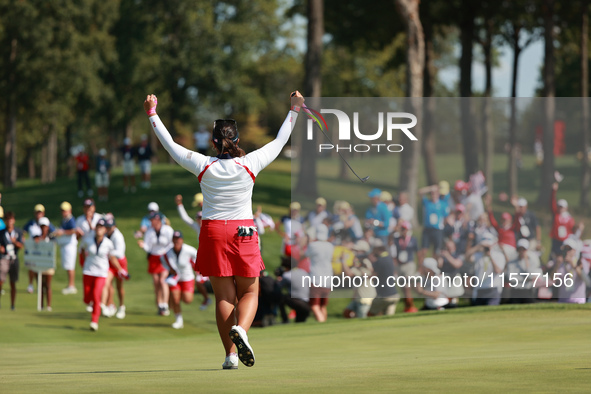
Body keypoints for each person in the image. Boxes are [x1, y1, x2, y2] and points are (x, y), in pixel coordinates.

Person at [144, 90, 303, 369]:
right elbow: (280, 140)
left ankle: (230, 356)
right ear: (237, 139)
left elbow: (169, 145)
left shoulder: (203, 165)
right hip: (244, 230)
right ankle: (242, 329)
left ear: (214, 142)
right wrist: (295, 109)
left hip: (213, 231)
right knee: (250, 292)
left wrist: (152, 113)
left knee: (224, 297)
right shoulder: (250, 163)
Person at [80, 217, 127, 331]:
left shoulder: (108, 243)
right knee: (87, 298)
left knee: (97, 296)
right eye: (98, 227)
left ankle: (94, 321)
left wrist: (120, 269)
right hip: (88, 271)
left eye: (102, 227)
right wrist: (82, 263)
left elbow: (112, 258)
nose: (99, 229)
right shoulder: (88, 240)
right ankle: (92, 305)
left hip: (101, 273)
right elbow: (81, 251)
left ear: (105, 230)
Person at [174, 194, 211, 309]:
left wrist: (204, 205)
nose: (199, 221)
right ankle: (207, 299)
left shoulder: (210, 224)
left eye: (200, 218)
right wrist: (179, 205)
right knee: (199, 281)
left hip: (215, 256)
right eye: (197, 219)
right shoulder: (198, 227)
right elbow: (185, 219)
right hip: (204, 257)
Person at [137, 211, 173, 316]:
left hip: (165, 257)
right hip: (153, 258)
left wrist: (167, 255)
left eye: (154, 220)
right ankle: (159, 305)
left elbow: (171, 244)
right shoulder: (149, 232)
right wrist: (143, 245)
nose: (152, 222)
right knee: (156, 282)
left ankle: (165, 304)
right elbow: (148, 247)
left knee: (163, 281)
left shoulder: (167, 230)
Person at [162, 231, 197, 329]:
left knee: (187, 300)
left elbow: (197, 259)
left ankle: (180, 295)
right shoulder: (168, 252)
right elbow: (163, 261)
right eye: (175, 239)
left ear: (182, 240)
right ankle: (179, 320)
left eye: (178, 239)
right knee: (175, 299)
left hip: (187, 277)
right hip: (175, 278)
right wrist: (169, 270)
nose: (176, 241)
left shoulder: (189, 250)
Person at [465, 233, 506, 306]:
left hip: (492, 289)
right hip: (480, 289)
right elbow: (467, 257)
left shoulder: (498, 255)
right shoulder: (478, 255)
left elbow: (498, 271)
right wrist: (478, 247)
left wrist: (490, 256)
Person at [23, 204, 56, 294]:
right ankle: (30, 284)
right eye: (37, 213)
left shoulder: (47, 223)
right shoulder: (31, 223)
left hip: (44, 251)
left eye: (40, 213)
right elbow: (23, 232)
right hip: (33, 249)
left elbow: (53, 233)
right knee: (31, 267)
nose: (38, 214)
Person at [305, 224, 334, 323]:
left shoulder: (313, 245)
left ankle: (322, 323)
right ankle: (324, 323)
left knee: (314, 305)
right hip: (328, 279)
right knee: (322, 305)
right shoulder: (330, 246)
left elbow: (304, 254)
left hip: (316, 278)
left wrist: (309, 239)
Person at [102, 214, 128, 319]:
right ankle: (110, 305)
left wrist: (108, 252)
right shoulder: (104, 234)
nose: (108, 229)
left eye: (110, 227)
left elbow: (120, 252)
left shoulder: (118, 236)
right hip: (110, 262)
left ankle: (121, 307)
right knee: (107, 283)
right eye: (107, 227)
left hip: (120, 263)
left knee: (119, 287)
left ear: (114, 226)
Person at [341, 240, 376, 319]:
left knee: (362, 318)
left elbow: (348, 274)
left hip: (365, 298)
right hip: (358, 297)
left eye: (357, 251)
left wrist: (343, 260)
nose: (354, 253)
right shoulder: (360, 263)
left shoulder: (365, 263)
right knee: (347, 312)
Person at [552, 237, 589, 304]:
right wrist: (557, 265)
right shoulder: (561, 263)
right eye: (565, 249)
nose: (567, 251)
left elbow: (585, 279)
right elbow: (553, 279)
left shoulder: (581, 262)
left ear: (574, 250)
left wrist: (572, 264)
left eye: (569, 249)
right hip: (563, 301)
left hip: (578, 301)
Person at [392, 220, 419, 313]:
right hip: (400, 265)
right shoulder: (396, 239)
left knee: (407, 286)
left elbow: (418, 253)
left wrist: (419, 265)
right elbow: (393, 253)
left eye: (405, 229)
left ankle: (411, 305)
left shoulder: (412, 239)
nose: (403, 231)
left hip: (409, 264)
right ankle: (407, 306)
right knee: (403, 287)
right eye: (402, 229)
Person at [367, 241, 399, 316]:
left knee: (370, 314)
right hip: (394, 295)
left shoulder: (380, 261)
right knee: (388, 319)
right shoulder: (389, 258)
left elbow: (372, 278)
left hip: (384, 296)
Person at [505, 238, 542, 303]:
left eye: (524, 249)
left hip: (527, 290)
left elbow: (530, 277)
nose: (521, 251)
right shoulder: (512, 262)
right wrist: (525, 279)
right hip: (515, 291)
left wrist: (526, 261)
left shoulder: (532, 261)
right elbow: (511, 278)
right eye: (520, 249)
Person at [53, 202, 78, 295]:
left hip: (70, 246)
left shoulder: (71, 219)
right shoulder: (65, 219)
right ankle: (70, 285)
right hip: (65, 245)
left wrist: (62, 232)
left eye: (65, 210)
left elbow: (73, 230)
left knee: (70, 266)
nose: (63, 212)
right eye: (62, 210)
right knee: (68, 266)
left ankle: (72, 285)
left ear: (69, 210)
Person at [0, 211, 23, 310]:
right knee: (1, 281)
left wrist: (14, 242)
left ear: (13, 220)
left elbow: (21, 245)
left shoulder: (18, 232)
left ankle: (12, 305)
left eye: (11, 219)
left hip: (14, 258)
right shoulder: (1, 233)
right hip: (4, 258)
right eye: (7, 220)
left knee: (13, 283)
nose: (9, 222)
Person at [419, 184, 450, 256]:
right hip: (427, 229)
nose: (433, 195)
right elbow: (420, 192)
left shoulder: (442, 204)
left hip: (437, 229)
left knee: (436, 251)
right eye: (432, 193)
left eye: (435, 193)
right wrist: (430, 188)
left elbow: (446, 217)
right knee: (423, 250)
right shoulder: (427, 203)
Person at [549, 182, 577, 258]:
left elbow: (572, 229)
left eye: (562, 207)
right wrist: (554, 191)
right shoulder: (556, 215)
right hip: (556, 239)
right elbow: (552, 203)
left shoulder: (569, 218)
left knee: (564, 256)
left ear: (566, 207)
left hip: (565, 240)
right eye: (559, 207)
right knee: (554, 256)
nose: (561, 208)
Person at [75, 199, 101, 279]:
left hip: (97, 250)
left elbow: (100, 234)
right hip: (84, 250)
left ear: (94, 207)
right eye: (85, 207)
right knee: (87, 273)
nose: (88, 209)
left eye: (89, 207)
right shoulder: (79, 220)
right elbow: (76, 238)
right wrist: (78, 234)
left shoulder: (99, 218)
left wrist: (90, 223)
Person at [34, 217, 55, 311]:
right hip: (39, 264)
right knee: (40, 285)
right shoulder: (36, 238)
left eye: (45, 226)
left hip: (48, 264)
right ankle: (41, 305)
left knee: (48, 285)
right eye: (42, 226)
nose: (43, 228)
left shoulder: (51, 238)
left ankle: (49, 305)